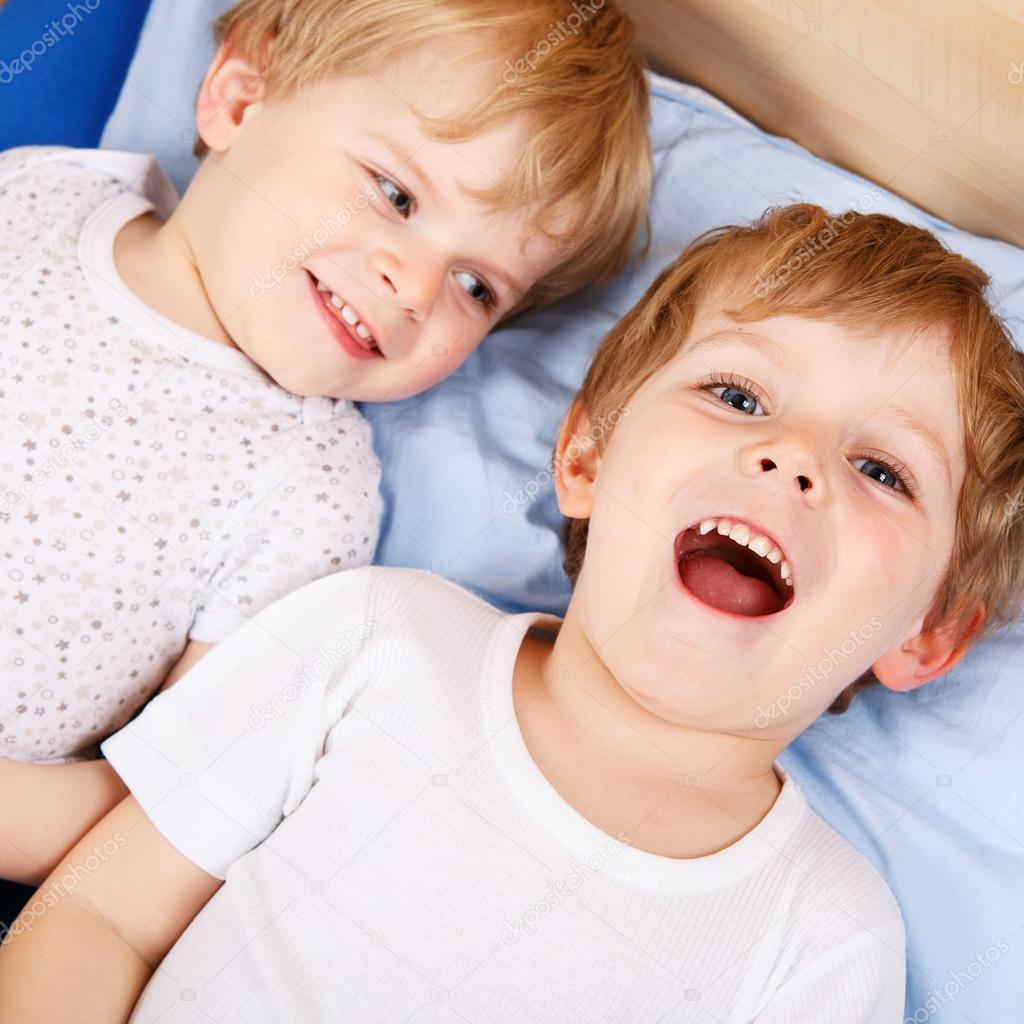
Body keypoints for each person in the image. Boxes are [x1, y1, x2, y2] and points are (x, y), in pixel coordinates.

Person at [6, 204, 1022, 1022]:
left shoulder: (821, 935)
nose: (791, 457)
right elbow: (98, 912)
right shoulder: (373, 639)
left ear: (926, 632)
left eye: (882, 469)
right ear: (583, 456)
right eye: (739, 397)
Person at [0, 0, 652, 888]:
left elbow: (158, 815)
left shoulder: (311, 492)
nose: (416, 285)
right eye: (396, 194)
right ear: (238, 100)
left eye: (476, 286)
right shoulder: (41, 192)